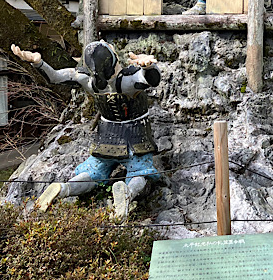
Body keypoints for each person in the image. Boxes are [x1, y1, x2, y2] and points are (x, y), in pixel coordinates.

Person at [10, 41, 161, 220]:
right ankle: (128, 193)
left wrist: (38, 63)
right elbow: (151, 80)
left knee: (93, 172)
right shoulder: (128, 80)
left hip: (107, 138)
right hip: (135, 136)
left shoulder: (88, 81)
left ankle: (65, 188)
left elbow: (55, 77)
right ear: (114, 59)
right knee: (140, 172)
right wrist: (149, 67)